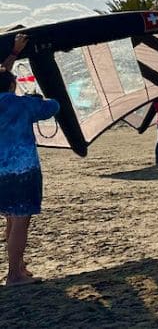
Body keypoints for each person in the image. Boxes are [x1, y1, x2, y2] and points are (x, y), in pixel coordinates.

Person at [1, 35, 61, 287]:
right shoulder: (22, 105)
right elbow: (53, 107)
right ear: (13, 85)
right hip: (22, 171)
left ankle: (19, 268)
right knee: (20, 221)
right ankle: (14, 274)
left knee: (11, 220)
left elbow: (2, 73)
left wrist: (14, 53)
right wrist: (39, 98)